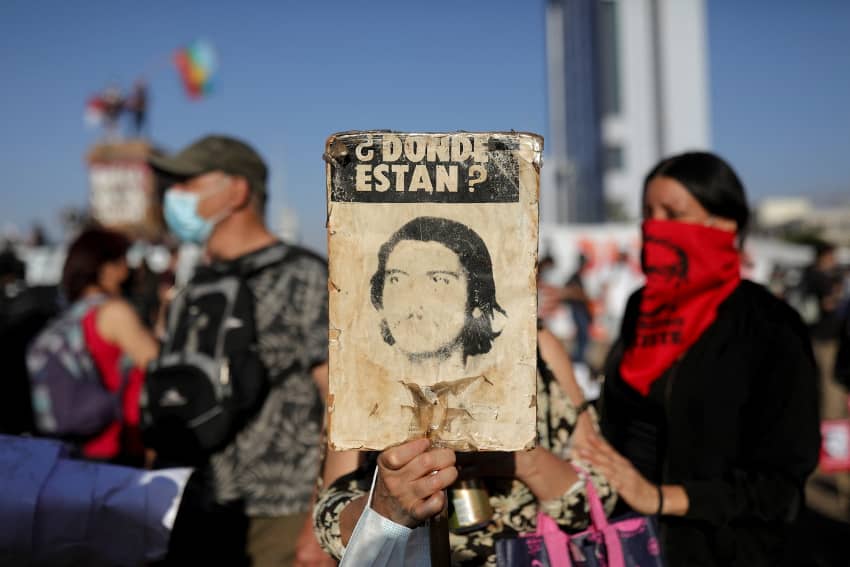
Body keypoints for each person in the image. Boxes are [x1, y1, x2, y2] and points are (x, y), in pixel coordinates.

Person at [580, 152, 820, 566]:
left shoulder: (769, 325)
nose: (654, 226)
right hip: (628, 543)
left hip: (723, 549)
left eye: (673, 213)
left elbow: (781, 485)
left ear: (725, 224)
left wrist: (661, 498)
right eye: (648, 213)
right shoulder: (642, 308)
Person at [148, 135, 334, 567]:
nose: (173, 196)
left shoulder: (302, 276)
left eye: (188, 183)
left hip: (278, 514)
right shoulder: (193, 283)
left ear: (237, 190)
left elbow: (339, 401)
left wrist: (321, 522)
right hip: (194, 503)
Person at [313, 324, 614, 566]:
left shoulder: (536, 345)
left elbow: (601, 493)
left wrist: (519, 460)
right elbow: (330, 518)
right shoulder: (367, 355)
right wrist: (385, 508)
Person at [29, 227, 158, 463]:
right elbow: (156, 364)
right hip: (123, 445)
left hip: (84, 447)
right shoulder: (113, 312)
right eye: (122, 261)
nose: (127, 270)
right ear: (105, 268)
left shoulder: (75, 313)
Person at [802, 241, 846, 420]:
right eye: (831, 256)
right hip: (824, 338)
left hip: (822, 336)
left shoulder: (811, 275)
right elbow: (827, 305)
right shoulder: (818, 278)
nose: (834, 260)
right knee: (830, 382)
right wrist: (838, 294)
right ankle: (832, 424)